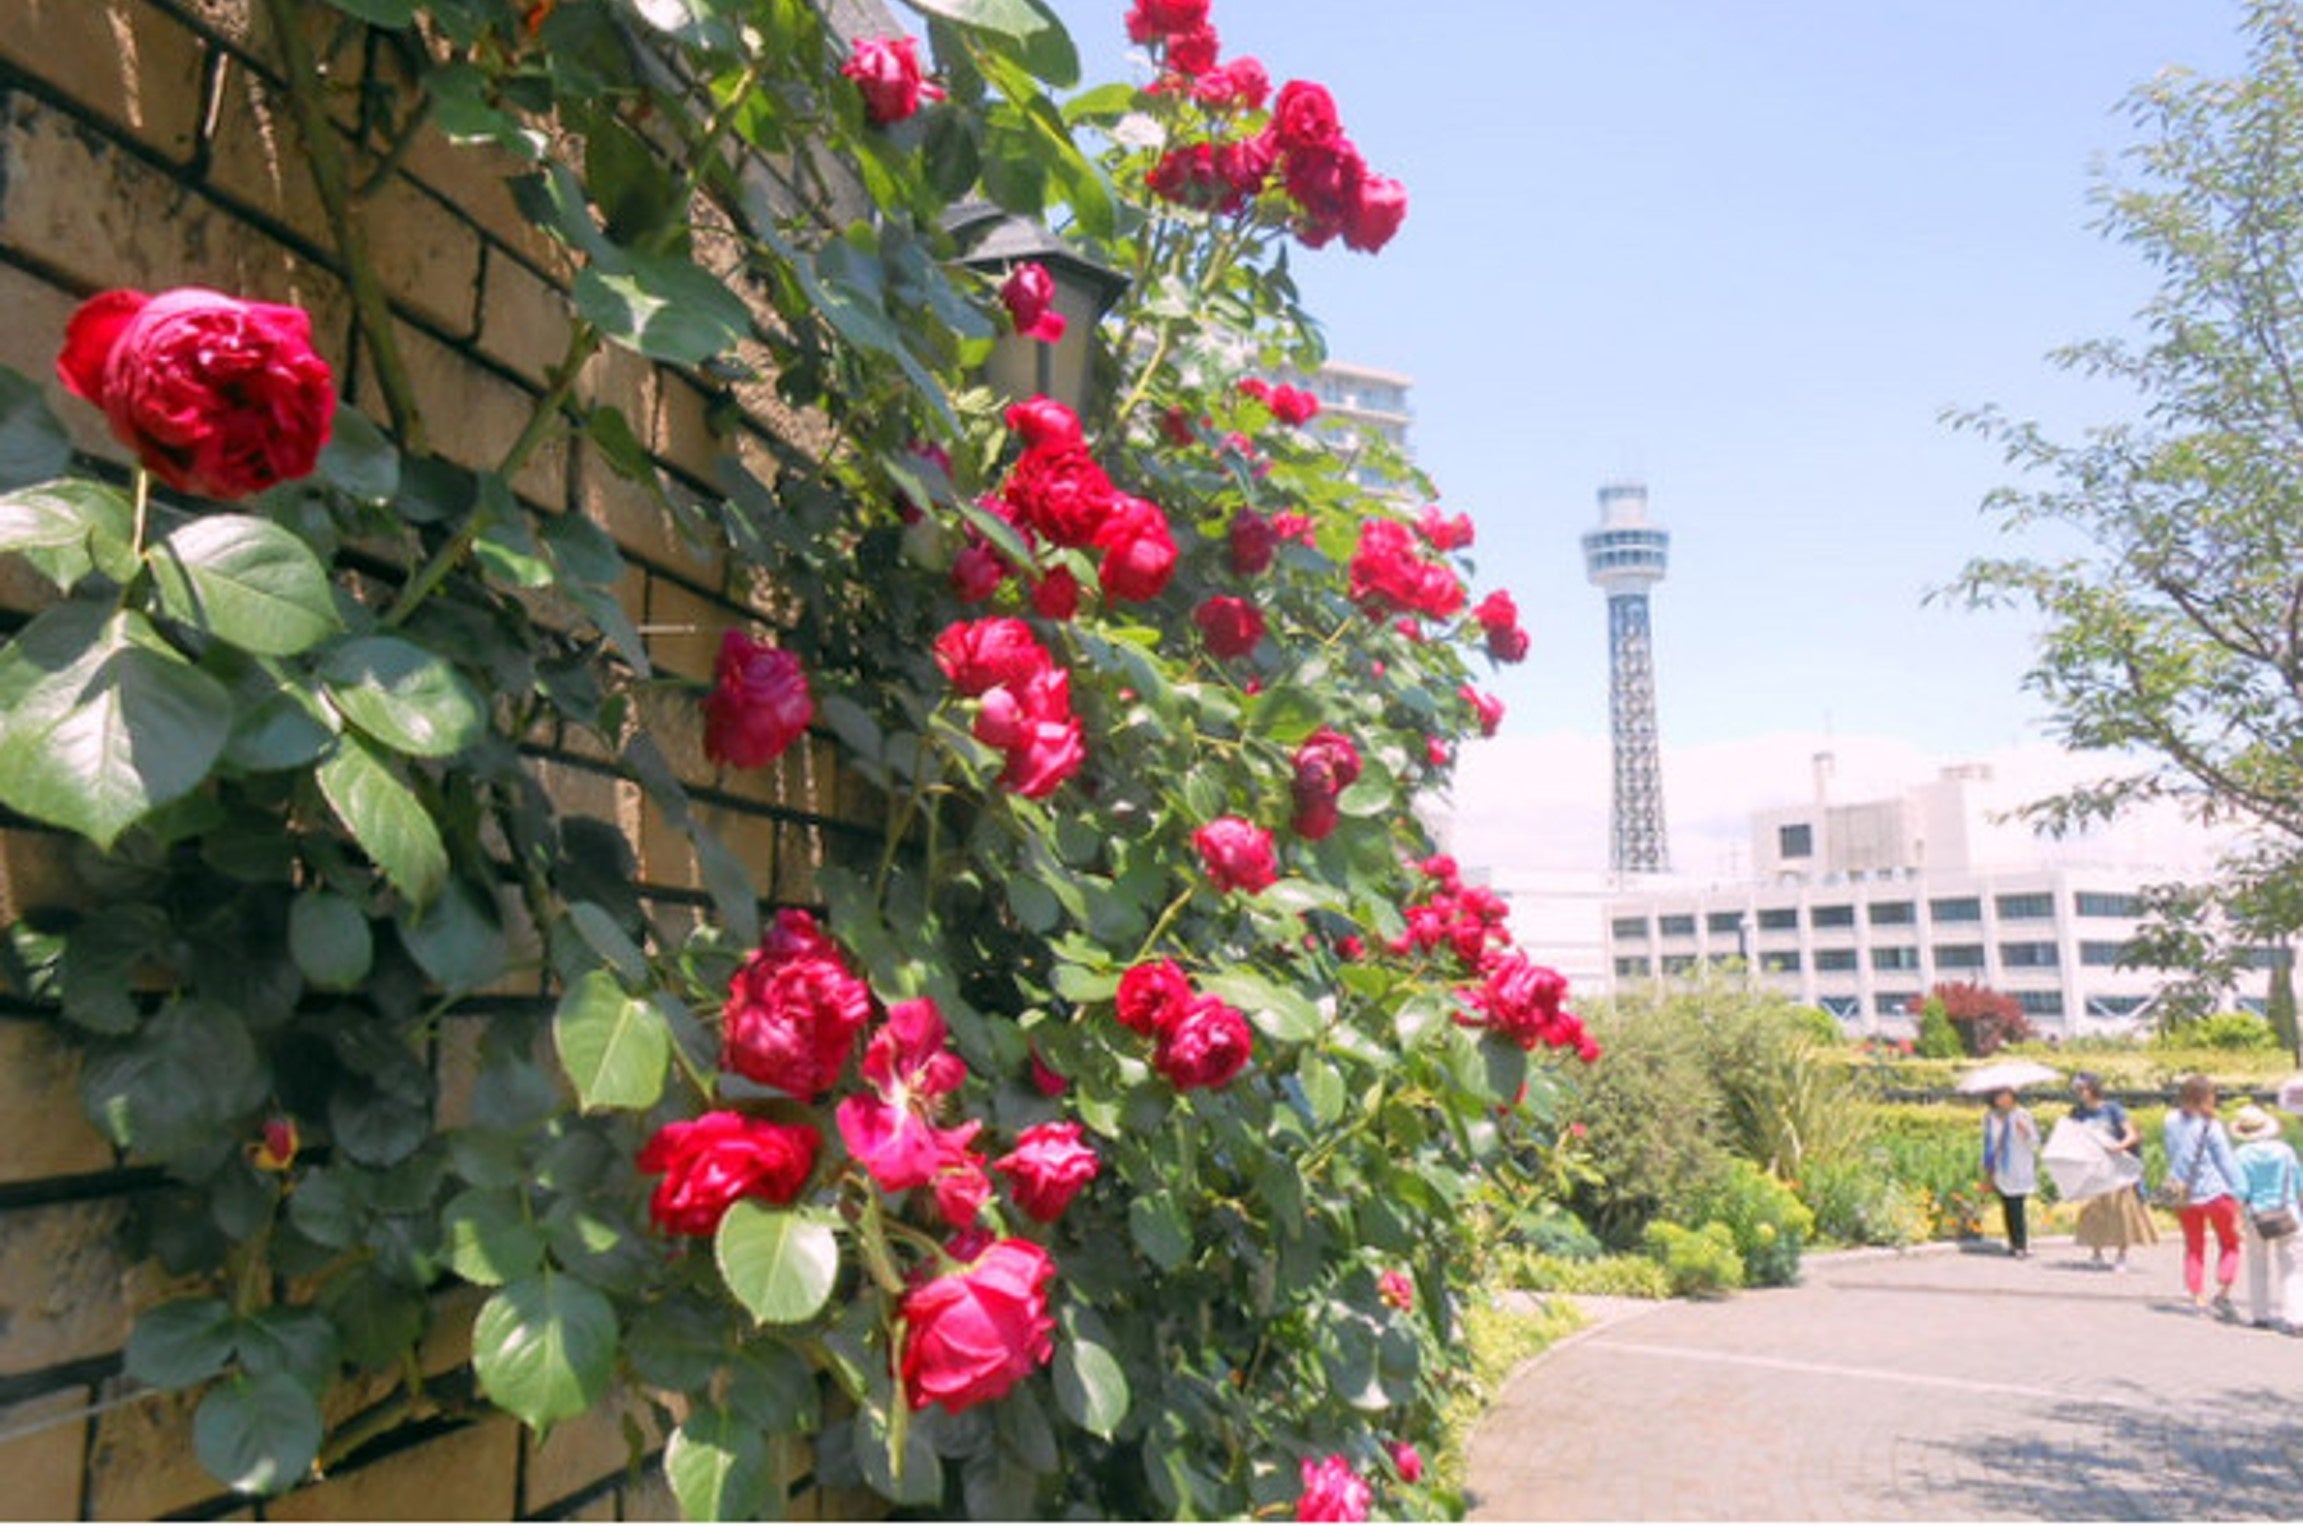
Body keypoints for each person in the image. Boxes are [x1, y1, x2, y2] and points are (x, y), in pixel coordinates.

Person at [2161, 1074, 2245, 1318]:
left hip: (2182, 1192)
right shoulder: (2210, 1126)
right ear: (2205, 1098)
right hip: (2215, 1192)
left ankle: (2197, 1295)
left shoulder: (2170, 1120)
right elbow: (2226, 1162)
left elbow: (2172, 1152)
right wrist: (2240, 1193)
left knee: (2194, 1246)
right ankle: (2224, 1287)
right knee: (2230, 1243)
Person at [2069, 1072, 2155, 1268]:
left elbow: (2131, 1134)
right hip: (2093, 1167)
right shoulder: (2077, 1113)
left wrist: (2118, 1147)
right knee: (2094, 1210)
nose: (2080, 1094)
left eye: (2083, 1089)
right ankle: (2096, 1252)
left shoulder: (2112, 1109)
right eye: (2077, 1090)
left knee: (2122, 1211)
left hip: (2117, 1166)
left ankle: (2121, 1255)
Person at [2229, 1104, 2303, 1333]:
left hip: (2256, 1214)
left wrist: (2236, 1218)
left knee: (2257, 1265)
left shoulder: (2241, 1155)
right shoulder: (2285, 1151)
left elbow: (2240, 1190)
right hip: (2287, 1210)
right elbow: (2298, 1182)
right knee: (2292, 1268)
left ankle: (2260, 1314)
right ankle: (2296, 1317)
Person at [1980, 1086, 2039, 1259]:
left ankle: (2021, 1244)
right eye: (1999, 1096)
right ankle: (2014, 1242)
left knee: (2017, 1205)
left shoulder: (2022, 1115)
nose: (2004, 1100)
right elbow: (1988, 1141)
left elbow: (2035, 1142)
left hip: (2018, 1167)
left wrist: (2025, 1132)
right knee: (2007, 1205)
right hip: (2000, 1167)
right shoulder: (1991, 1117)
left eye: (2007, 1096)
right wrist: (1988, 1165)